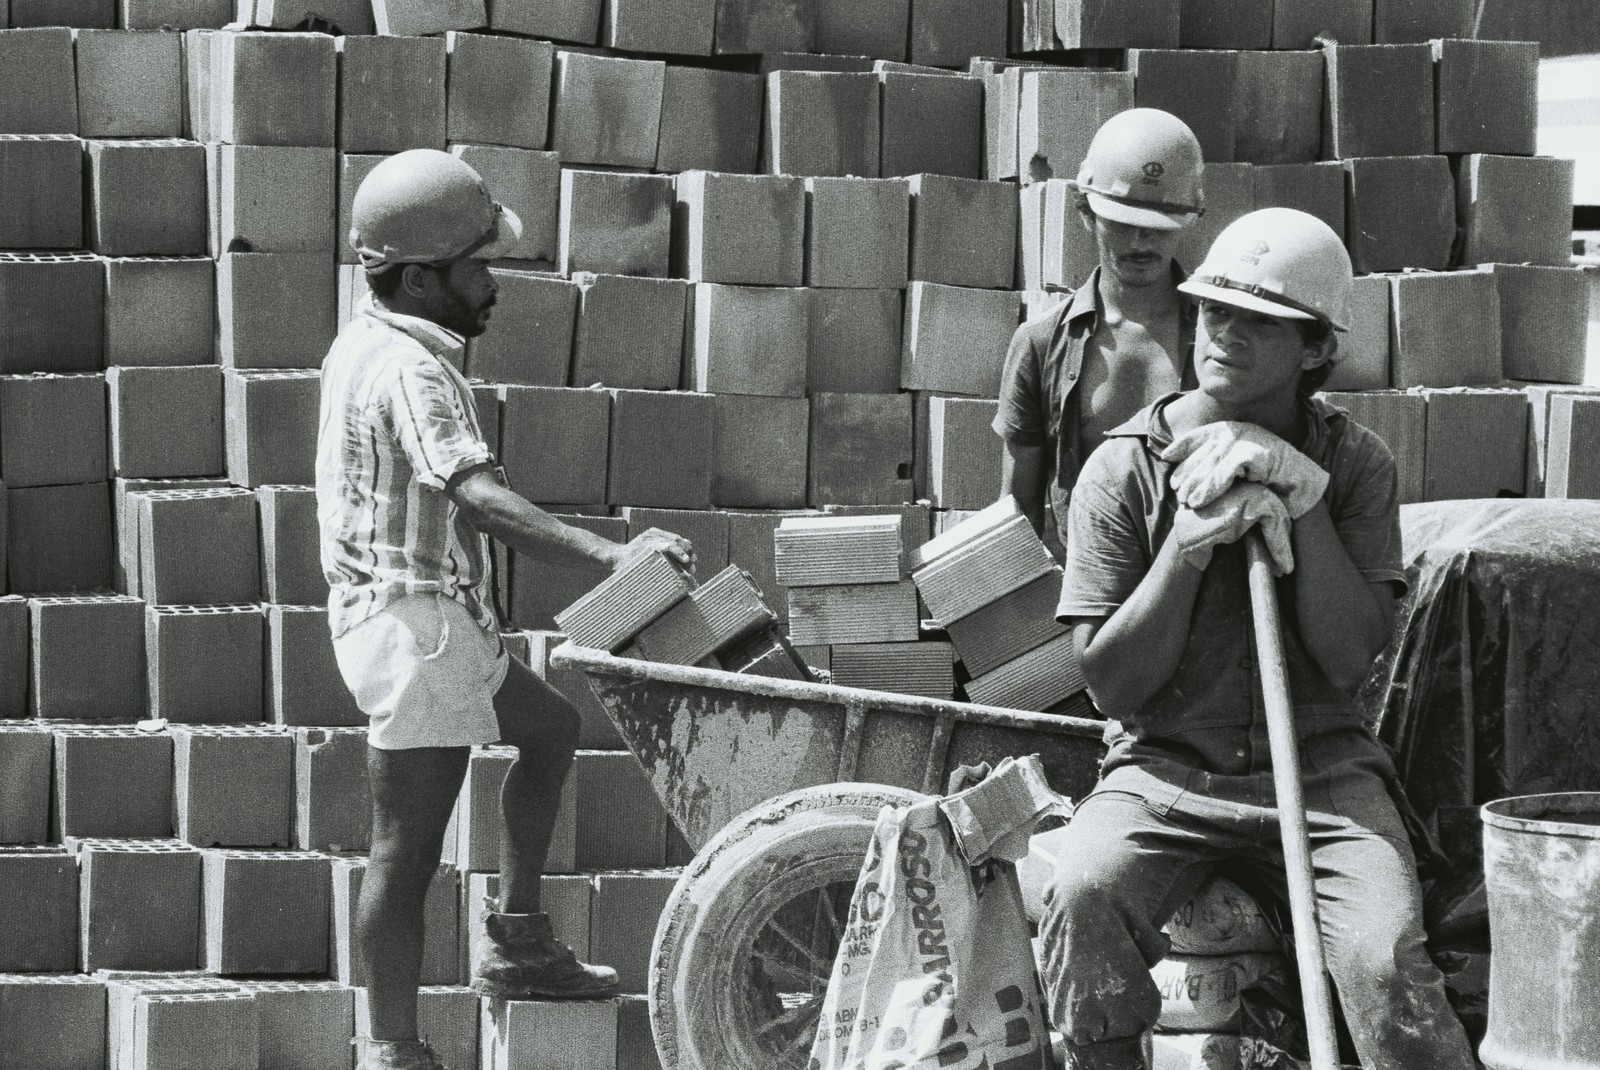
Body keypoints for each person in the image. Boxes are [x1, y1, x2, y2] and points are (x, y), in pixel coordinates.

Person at [1039, 208, 1476, 1070]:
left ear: (1315, 350)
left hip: (1322, 775)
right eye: (1213, 311)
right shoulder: (1126, 468)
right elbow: (1111, 687)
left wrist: (1301, 501)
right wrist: (1189, 548)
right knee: (1084, 894)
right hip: (1163, 770)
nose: (1222, 333)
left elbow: (1352, 660)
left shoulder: (1355, 467)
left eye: (1257, 320)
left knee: (1383, 958)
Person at [317, 149, 694, 1070]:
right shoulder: (412, 369)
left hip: (423, 623)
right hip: (417, 629)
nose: (492, 286)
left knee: (552, 729)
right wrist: (613, 555)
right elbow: (476, 495)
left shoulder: (363, 344)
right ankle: (394, 1049)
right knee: (405, 851)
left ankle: (519, 942)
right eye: (477, 267)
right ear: (418, 277)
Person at [994, 108, 1206, 555]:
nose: (1141, 243)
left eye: (1157, 227)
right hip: (1094, 600)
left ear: (1187, 221)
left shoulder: (1221, 338)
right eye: (1122, 223)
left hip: (1207, 598)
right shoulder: (1040, 345)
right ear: (1087, 214)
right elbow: (1020, 510)